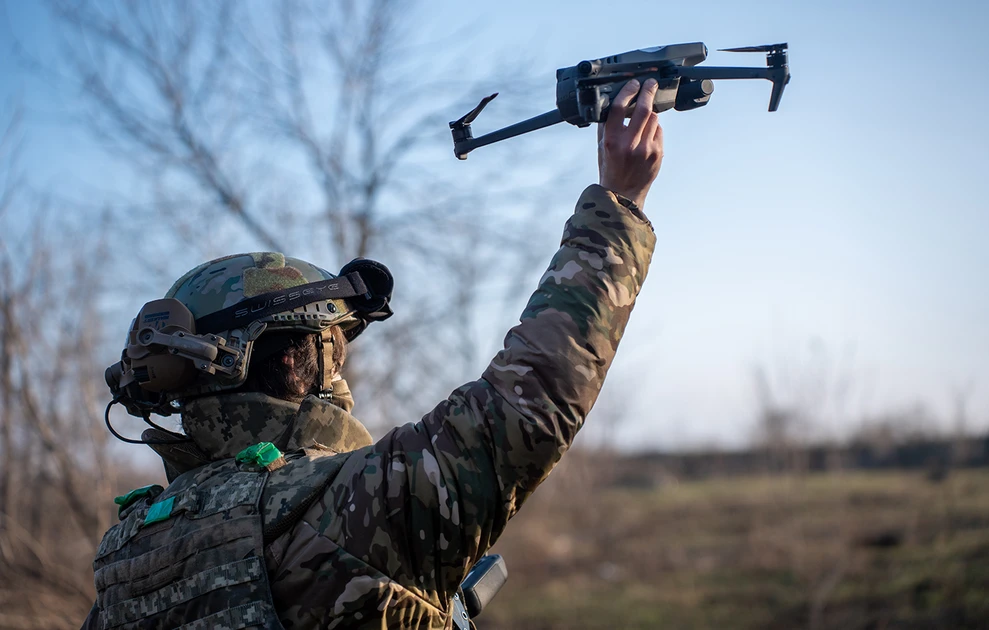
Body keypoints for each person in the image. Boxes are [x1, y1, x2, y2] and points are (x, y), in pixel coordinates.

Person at [82, 78, 664, 630]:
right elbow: (529, 399)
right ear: (291, 364)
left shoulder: (126, 561)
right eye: (332, 352)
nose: (342, 375)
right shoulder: (345, 508)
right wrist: (620, 201)